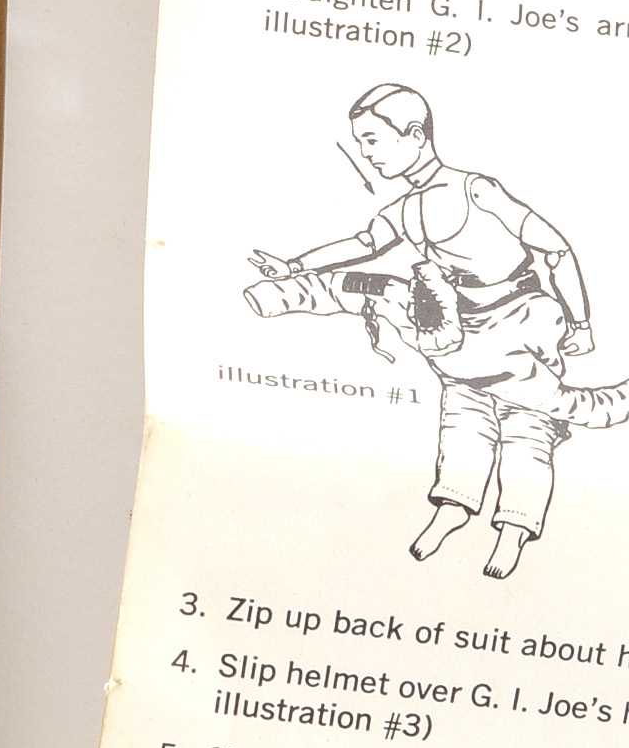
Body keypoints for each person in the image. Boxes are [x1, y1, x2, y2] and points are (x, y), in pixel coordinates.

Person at [249, 85, 594, 578]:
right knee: (464, 416)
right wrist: (294, 266)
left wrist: (579, 322)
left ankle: (515, 527)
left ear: (414, 134)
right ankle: (453, 506)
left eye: (373, 139)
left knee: (526, 423)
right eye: (360, 142)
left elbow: (554, 248)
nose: (366, 153)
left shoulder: (476, 190)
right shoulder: (406, 209)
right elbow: (364, 243)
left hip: (526, 316)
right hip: (462, 324)